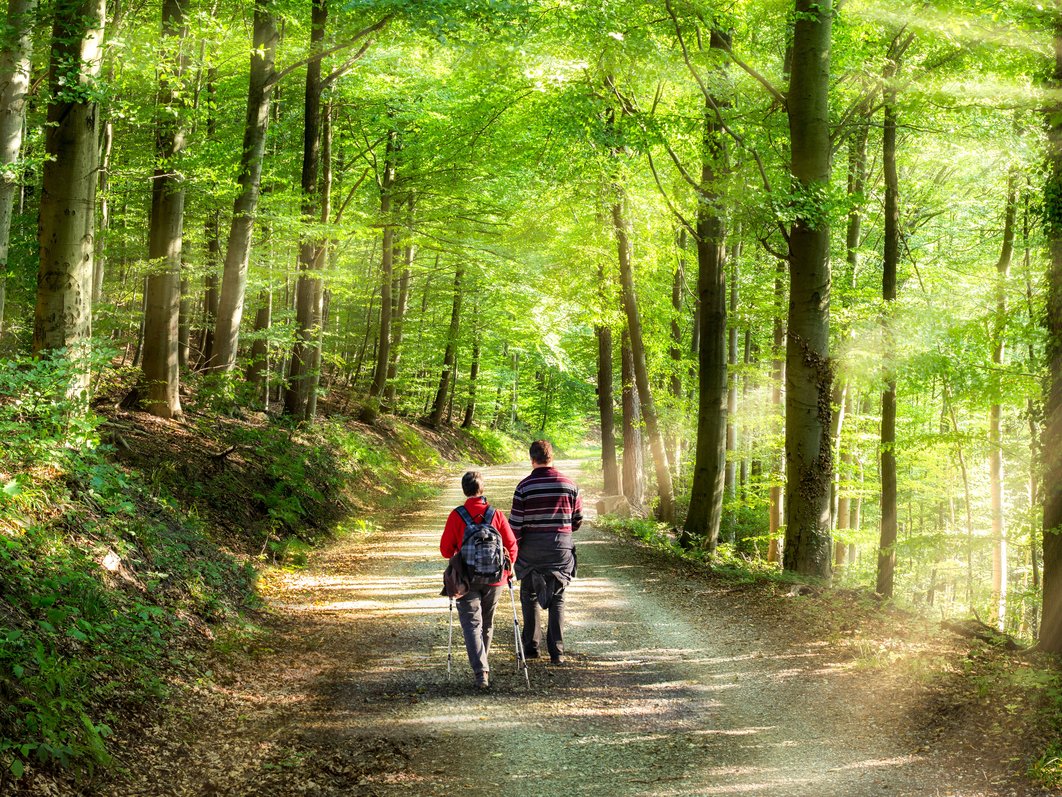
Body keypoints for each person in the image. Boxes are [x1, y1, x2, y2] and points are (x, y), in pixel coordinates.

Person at [440, 470, 518, 689]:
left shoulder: (457, 515)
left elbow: (445, 550)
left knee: (472, 623)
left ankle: (481, 672)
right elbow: (511, 545)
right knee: (487, 622)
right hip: (496, 579)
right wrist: (508, 569)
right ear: (482, 489)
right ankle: (482, 663)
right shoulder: (497, 515)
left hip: (466, 579)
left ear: (464, 490)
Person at [510, 440, 582, 665]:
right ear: (552, 457)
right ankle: (557, 652)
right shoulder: (570, 485)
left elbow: (515, 526)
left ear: (532, 459)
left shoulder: (524, 487)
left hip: (531, 550)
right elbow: (577, 520)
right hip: (560, 550)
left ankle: (531, 648)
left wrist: (516, 552)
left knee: (529, 595)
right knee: (558, 598)